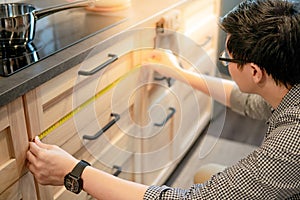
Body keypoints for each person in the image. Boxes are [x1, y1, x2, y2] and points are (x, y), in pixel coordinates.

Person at [27, 0, 300, 199]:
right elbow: (249, 101)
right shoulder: (286, 84)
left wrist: (76, 172)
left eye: (227, 59)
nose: (225, 65)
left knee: (206, 180)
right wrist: (179, 74)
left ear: (255, 71)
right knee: (207, 173)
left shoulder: (290, 143)